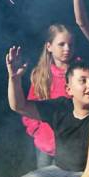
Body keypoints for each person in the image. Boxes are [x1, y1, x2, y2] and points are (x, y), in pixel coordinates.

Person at [4, 48, 89, 177]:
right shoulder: (60, 107)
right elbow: (19, 106)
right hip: (57, 169)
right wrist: (14, 78)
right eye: (83, 81)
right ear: (69, 89)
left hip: (86, 174)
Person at [22, 24, 77, 169]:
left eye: (70, 45)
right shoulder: (41, 74)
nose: (67, 49)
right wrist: (36, 130)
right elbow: (28, 107)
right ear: (49, 46)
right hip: (45, 145)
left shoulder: (80, 72)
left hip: (72, 144)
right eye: (61, 44)